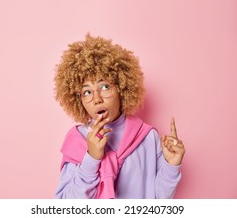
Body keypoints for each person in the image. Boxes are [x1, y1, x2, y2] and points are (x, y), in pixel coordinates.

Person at [54, 33, 185, 199]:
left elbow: (158, 200)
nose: (96, 99)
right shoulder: (77, 140)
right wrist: (91, 159)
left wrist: (171, 166)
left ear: (121, 89)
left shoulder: (147, 138)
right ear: (78, 99)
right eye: (87, 92)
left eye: (104, 87)